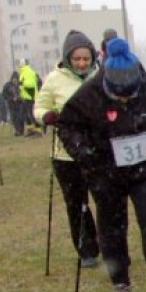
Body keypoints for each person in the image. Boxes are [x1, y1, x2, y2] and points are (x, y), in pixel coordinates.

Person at [57, 38, 146, 292]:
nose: (125, 99)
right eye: (118, 95)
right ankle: (120, 284)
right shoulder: (90, 93)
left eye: (130, 94)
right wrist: (83, 153)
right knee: (112, 226)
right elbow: (68, 126)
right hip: (105, 171)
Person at [35, 30, 101, 267]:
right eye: (77, 59)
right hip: (65, 154)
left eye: (86, 59)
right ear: (68, 58)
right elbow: (39, 108)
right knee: (76, 203)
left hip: (98, 151)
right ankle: (87, 248)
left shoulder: (100, 76)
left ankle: (109, 242)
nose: (82, 63)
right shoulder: (54, 79)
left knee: (104, 200)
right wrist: (47, 116)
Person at [17, 59, 43, 137]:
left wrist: (21, 84)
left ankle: (38, 131)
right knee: (24, 114)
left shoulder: (27, 72)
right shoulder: (24, 72)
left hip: (29, 97)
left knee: (32, 114)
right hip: (25, 97)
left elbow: (30, 85)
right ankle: (31, 129)